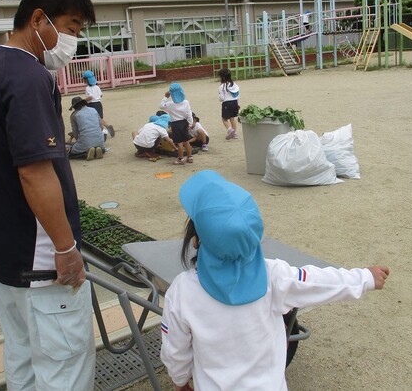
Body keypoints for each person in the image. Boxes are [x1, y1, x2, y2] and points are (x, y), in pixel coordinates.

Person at [0, 0, 97, 390]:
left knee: (22, 363)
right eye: (71, 28)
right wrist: (66, 249)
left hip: (3, 257)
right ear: (38, 19)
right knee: (64, 369)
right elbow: (34, 171)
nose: (73, 40)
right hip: (41, 264)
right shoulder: (28, 76)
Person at [160, 170, 390, 391]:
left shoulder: (182, 291)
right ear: (255, 238)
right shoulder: (274, 275)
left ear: (196, 241)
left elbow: (175, 351)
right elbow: (320, 282)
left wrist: (180, 380)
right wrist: (366, 277)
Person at [160, 83, 194, 165]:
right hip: (184, 122)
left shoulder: (170, 104)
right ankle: (190, 157)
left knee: (179, 142)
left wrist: (165, 97)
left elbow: (161, 106)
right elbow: (189, 114)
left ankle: (180, 158)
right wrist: (190, 123)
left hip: (176, 124)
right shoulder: (186, 102)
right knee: (186, 141)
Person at [67, 96, 105, 161]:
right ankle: (99, 149)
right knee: (100, 147)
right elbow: (101, 127)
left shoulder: (74, 115)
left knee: (70, 153)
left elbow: (76, 133)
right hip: (100, 141)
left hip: (85, 142)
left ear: (74, 107)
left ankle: (86, 153)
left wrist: (77, 141)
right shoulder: (93, 110)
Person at [81, 70, 114, 138]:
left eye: (84, 79)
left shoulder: (87, 88)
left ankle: (102, 132)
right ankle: (107, 127)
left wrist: (83, 100)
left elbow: (90, 97)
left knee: (95, 119)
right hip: (99, 103)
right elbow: (101, 95)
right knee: (99, 118)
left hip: (92, 105)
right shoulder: (97, 87)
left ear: (87, 80)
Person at [218, 68, 240, 140]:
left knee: (224, 118)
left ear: (222, 77)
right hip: (235, 102)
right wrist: (238, 104)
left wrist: (219, 98)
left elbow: (222, 98)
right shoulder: (234, 85)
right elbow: (237, 95)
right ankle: (235, 133)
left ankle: (230, 129)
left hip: (227, 103)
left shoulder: (222, 86)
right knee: (232, 118)